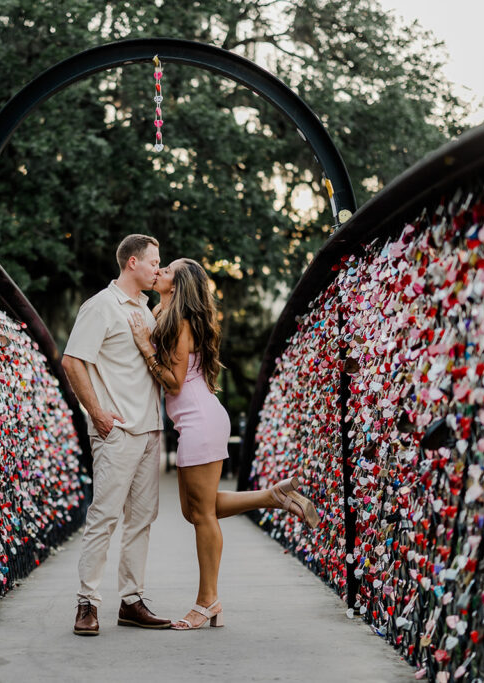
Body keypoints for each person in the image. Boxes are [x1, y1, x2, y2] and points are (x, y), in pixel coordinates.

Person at [127, 258, 320, 630]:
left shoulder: (181, 323)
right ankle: (274, 497)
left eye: (167, 270)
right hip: (195, 421)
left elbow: (173, 383)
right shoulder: (164, 313)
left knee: (202, 516)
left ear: (177, 285)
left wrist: (143, 346)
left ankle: (207, 601)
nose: (160, 271)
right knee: (193, 511)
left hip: (199, 421)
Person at [61, 234, 172, 636]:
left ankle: (131, 601)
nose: (158, 269)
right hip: (117, 431)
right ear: (132, 262)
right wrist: (97, 414)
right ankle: (87, 603)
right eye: (153, 262)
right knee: (104, 517)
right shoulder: (101, 306)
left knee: (141, 520)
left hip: (150, 430)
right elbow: (72, 361)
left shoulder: (147, 309)